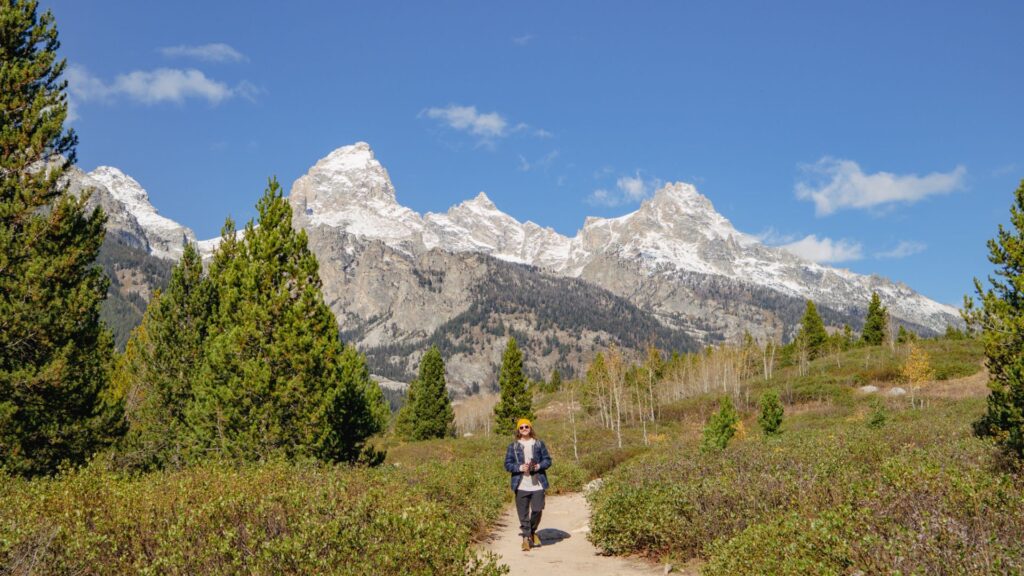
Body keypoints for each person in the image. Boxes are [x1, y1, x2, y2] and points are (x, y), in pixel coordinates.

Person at [504, 418, 552, 551]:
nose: (524, 429)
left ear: (531, 428)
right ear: (518, 430)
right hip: (520, 484)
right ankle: (526, 537)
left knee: (537, 509)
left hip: (537, 483)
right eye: (521, 427)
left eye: (527, 426)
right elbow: (507, 465)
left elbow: (548, 461)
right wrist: (519, 468)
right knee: (523, 513)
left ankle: (531, 531)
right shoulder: (513, 446)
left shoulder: (539, 444)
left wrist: (537, 466)